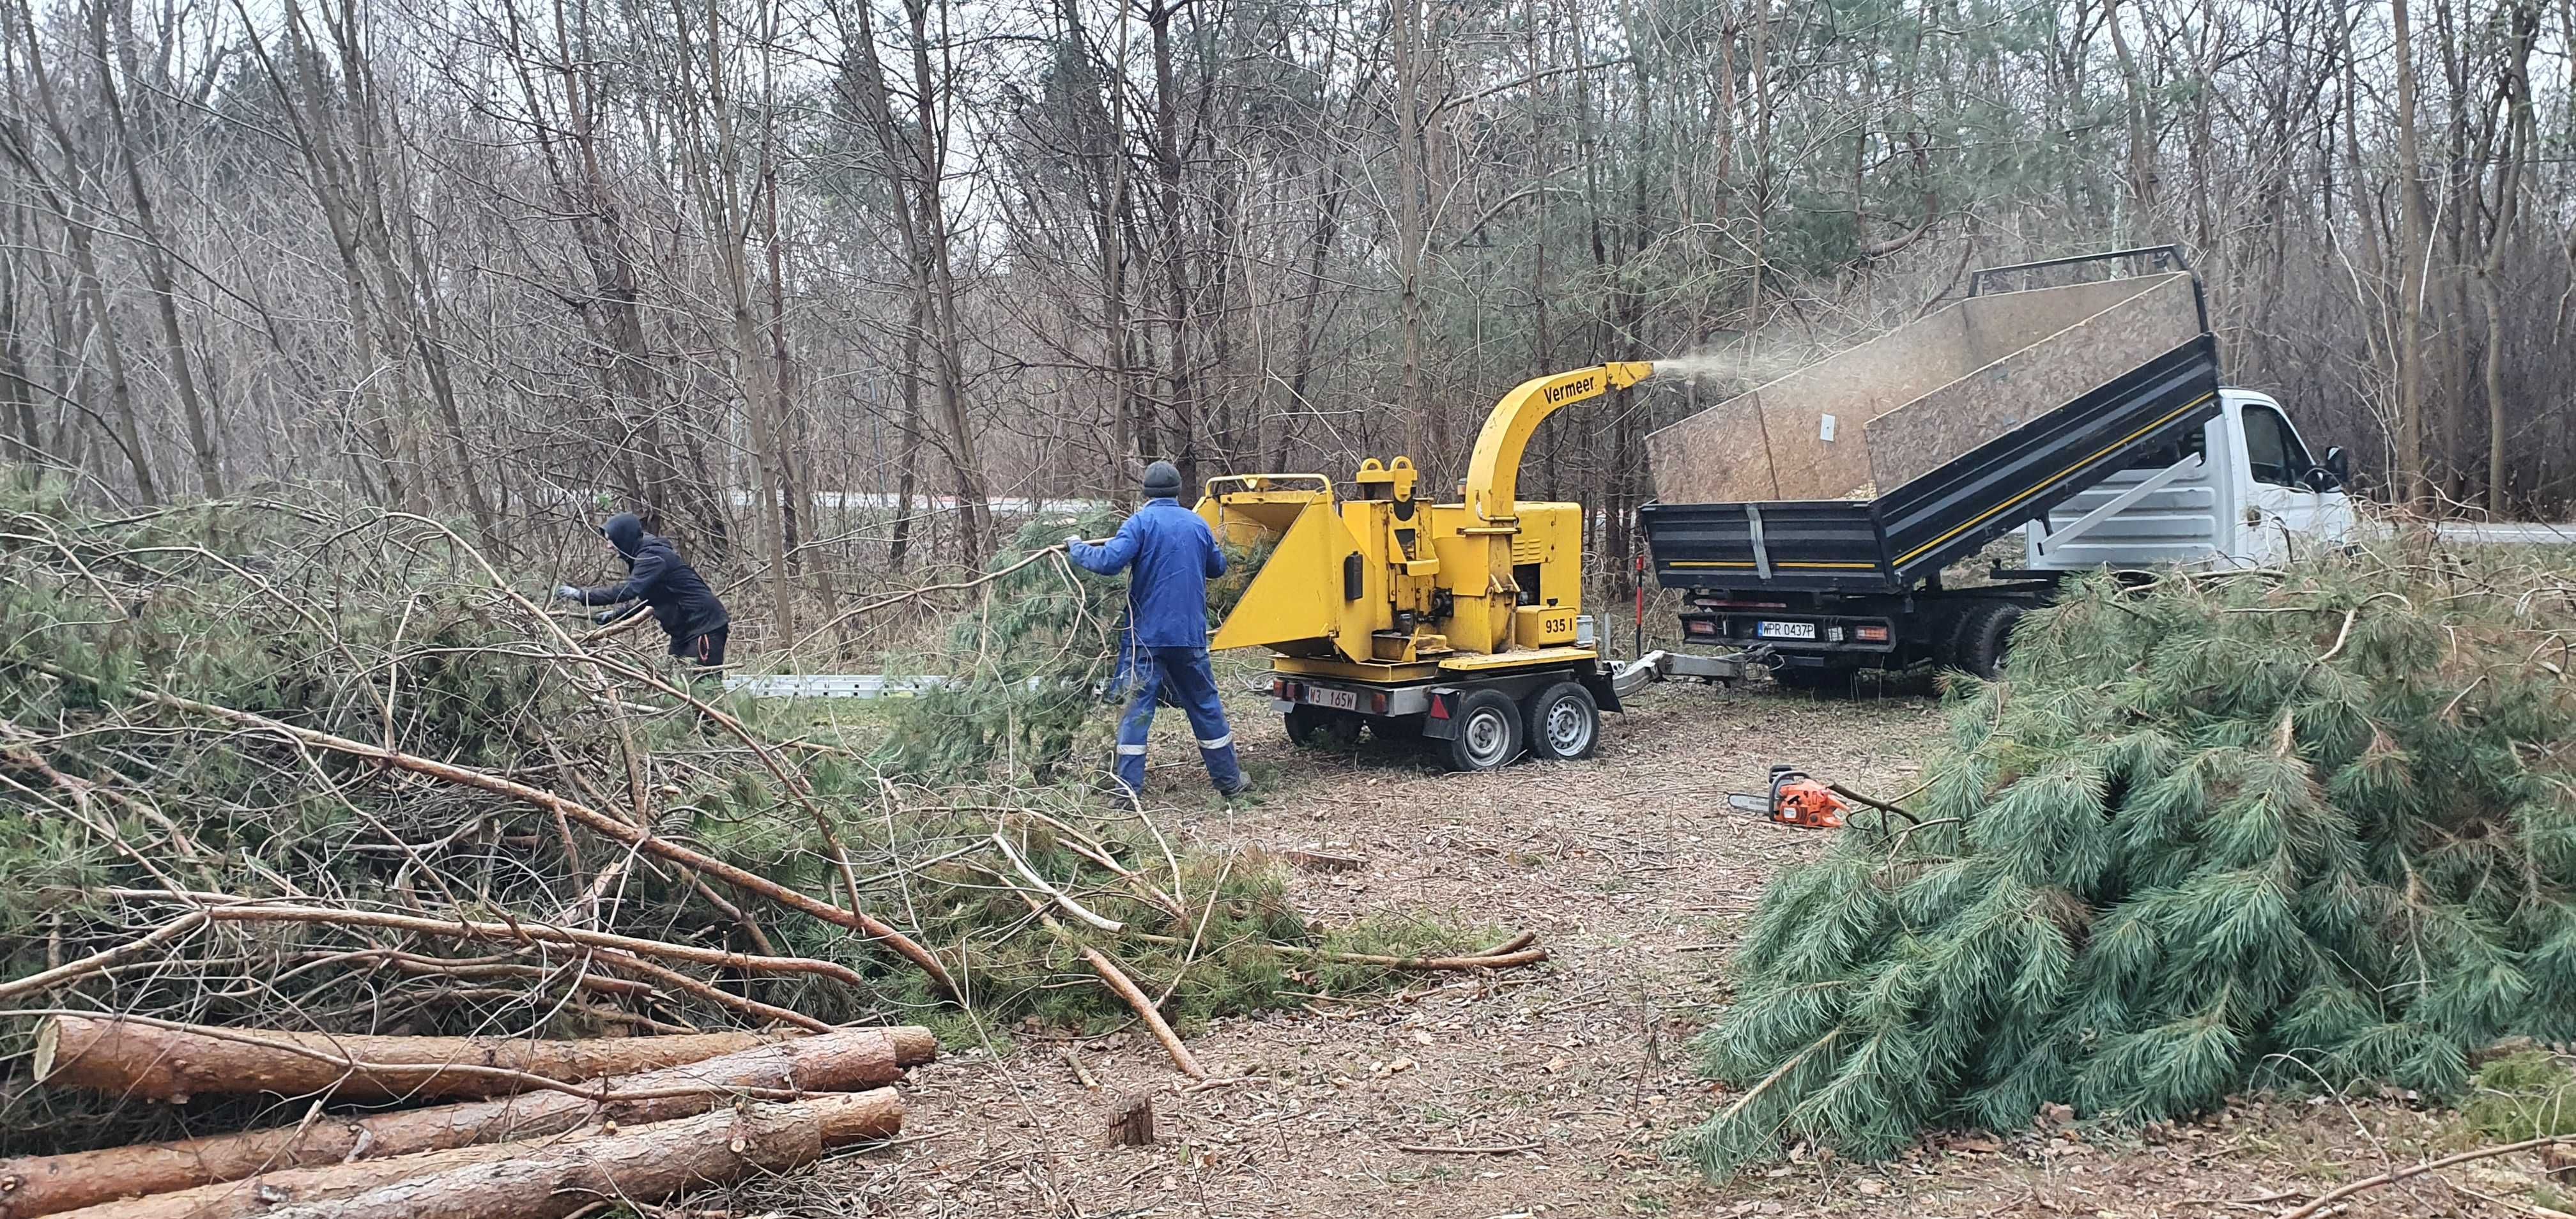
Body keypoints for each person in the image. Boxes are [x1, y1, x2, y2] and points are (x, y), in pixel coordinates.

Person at [1068, 460, 1248, 798]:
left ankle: (1126, 792)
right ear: (1178, 491)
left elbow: (1108, 563)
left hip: (1146, 639)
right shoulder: (1197, 524)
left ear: (1146, 492)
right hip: (1189, 636)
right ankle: (1230, 783)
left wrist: (1077, 547)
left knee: (1136, 711)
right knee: (1205, 705)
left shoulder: (1141, 523)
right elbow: (1218, 568)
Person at [555, 512, 731, 669]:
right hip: (684, 631)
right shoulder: (643, 555)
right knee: (676, 683)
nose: (608, 546)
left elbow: (627, 591)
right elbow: (651, 599)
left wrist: (581, 595)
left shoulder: (653, 557)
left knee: (701, 687)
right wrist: (617, 614)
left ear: (624, 538)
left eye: (611, 540)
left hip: (705, 626)